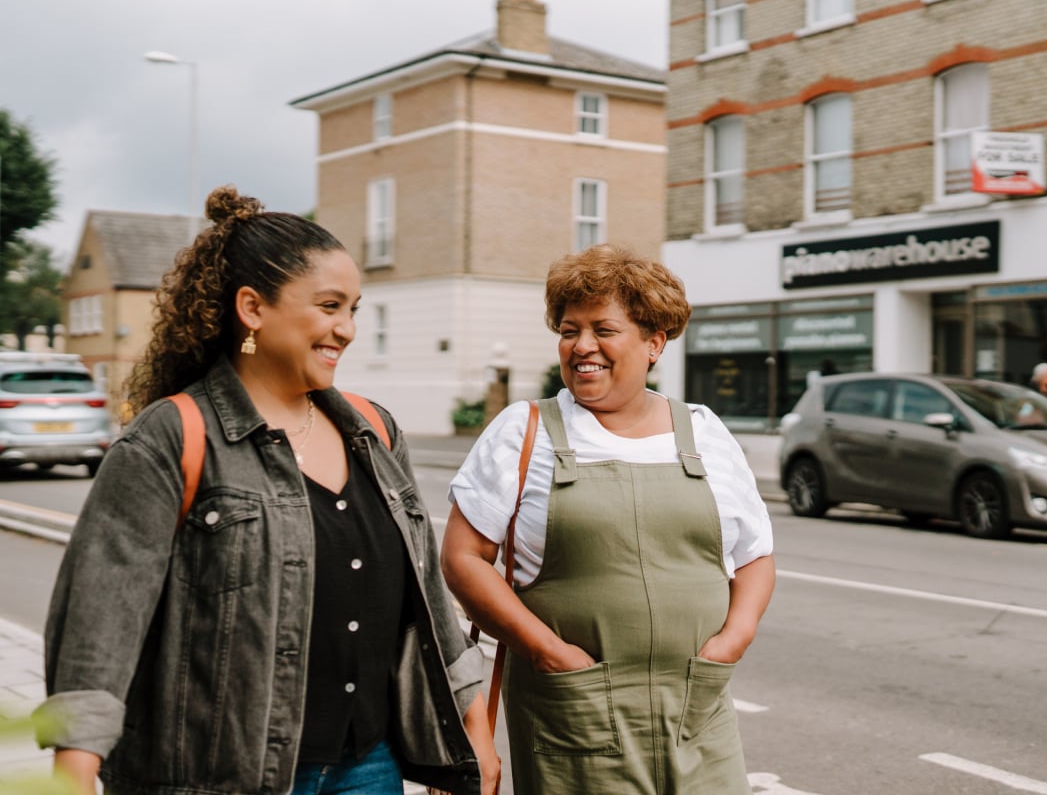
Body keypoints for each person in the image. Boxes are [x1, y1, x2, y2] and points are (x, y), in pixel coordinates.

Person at [35, 186, 500, 795]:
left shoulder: (374, 431)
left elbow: (427, 599)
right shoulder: (175, 436)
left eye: (354, 309)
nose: (348, 329)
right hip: (219, 775)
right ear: (252, 308)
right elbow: (100, 625)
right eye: (330, 306)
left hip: (369, 767)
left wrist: (474, 729)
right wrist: (72, 776)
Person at [441, 244, 775, 794]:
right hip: (574, 713)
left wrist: (733, 640)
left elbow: (756, 554)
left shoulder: (704, 431)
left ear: (654, 342)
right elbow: (461, 560)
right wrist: (549, 653)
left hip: (699, 711)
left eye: (604, 329)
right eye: (570, 330)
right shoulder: (524, 432)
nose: (582, 347)